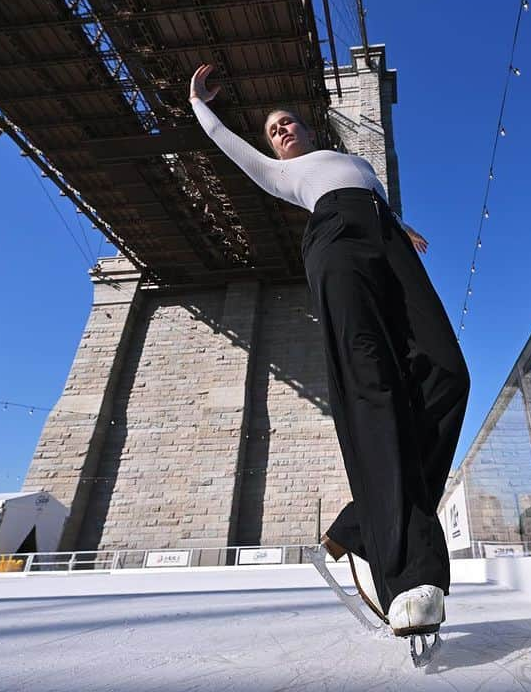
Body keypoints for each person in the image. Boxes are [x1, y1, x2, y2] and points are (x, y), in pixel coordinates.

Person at [188, 63, 470, 637]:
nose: (283, 131)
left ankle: (360, 522)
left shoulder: (359, 164)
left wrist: (398, 224)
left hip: (387, 239)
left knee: (448, 373)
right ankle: (409, 578)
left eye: (289, 122)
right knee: (373, 385)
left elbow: (368, 193)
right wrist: (200, 105)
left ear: (311, 130)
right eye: (274, 131)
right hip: (334, 239)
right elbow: (228, 145)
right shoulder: (282, 174)